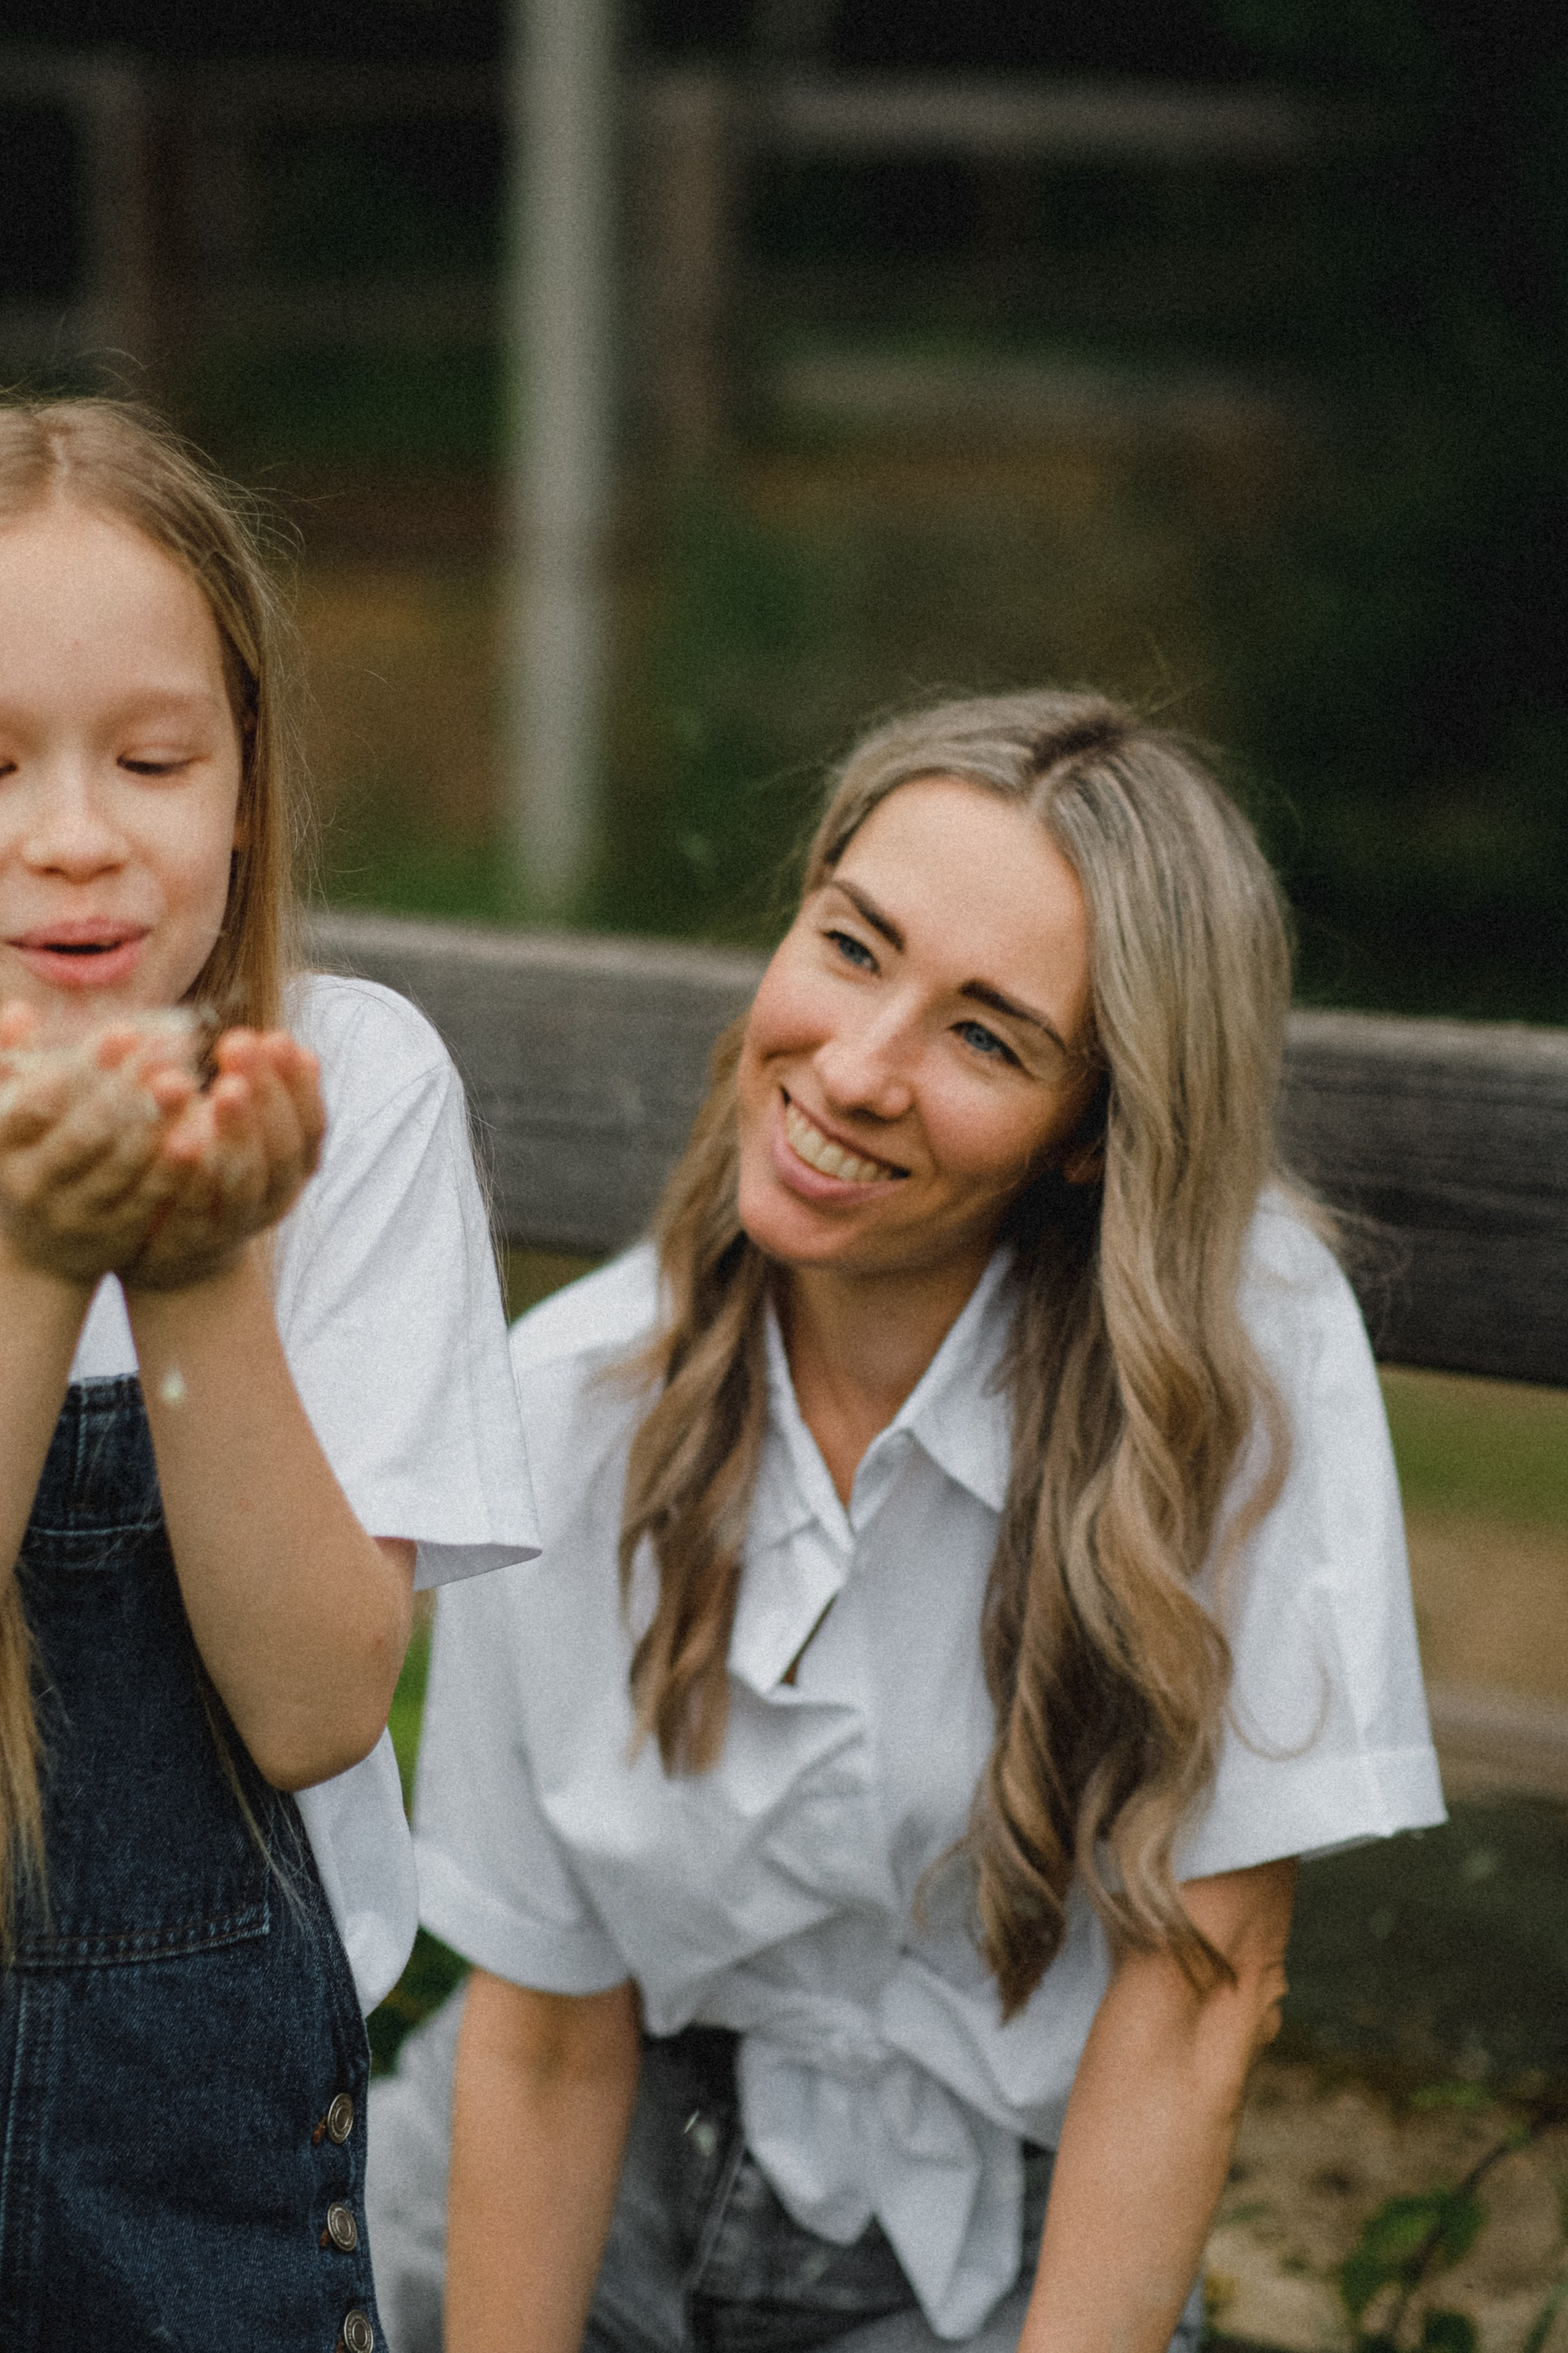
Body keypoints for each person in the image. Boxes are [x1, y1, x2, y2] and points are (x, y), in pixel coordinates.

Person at [372, 692, 1443, 2353]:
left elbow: (1199, 2004)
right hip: (574, 2167)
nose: (858, 1070)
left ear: (1094, 1129)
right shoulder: (565, 1404)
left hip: (1001, 2239)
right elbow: (542, 2039)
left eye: (988, 1035)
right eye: (853, 947)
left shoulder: (1238, 1370)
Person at [0, 398, 538, 2351]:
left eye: (152, 756)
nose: (74, 830)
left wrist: (199, 1258)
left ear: (244, 782)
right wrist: (42, 1258)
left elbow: (318, 1707)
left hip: (204, 2200)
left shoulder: (351, 1090)